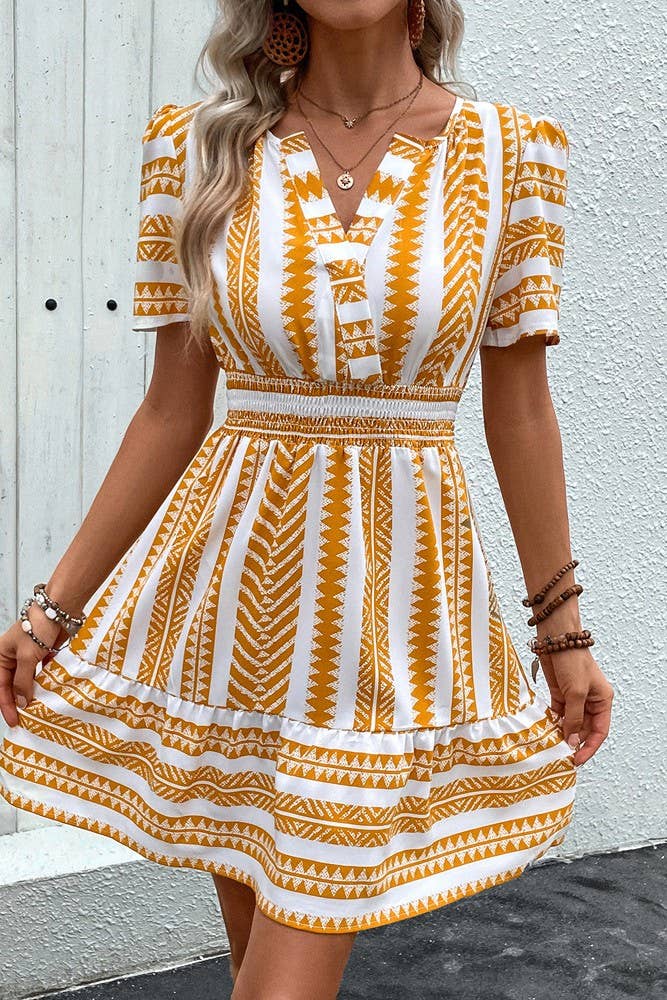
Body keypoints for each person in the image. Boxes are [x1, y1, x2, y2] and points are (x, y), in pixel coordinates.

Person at [0, 2, 614, 998]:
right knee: (262, 963)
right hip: (231, 610)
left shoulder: (509, 154)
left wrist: (561, 626)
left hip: (389, 622)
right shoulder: (198, 149)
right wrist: (52, 607)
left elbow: (521, 412)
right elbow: (170, 412)